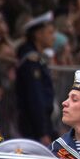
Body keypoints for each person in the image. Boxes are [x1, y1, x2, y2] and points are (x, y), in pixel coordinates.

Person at [15, 12, 56, 145]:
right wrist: (42, 132)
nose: (53, 37)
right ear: (38, 35)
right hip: (34, 129)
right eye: (49, 33)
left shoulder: (37, 59)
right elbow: (36, 98)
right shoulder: (31, 63)